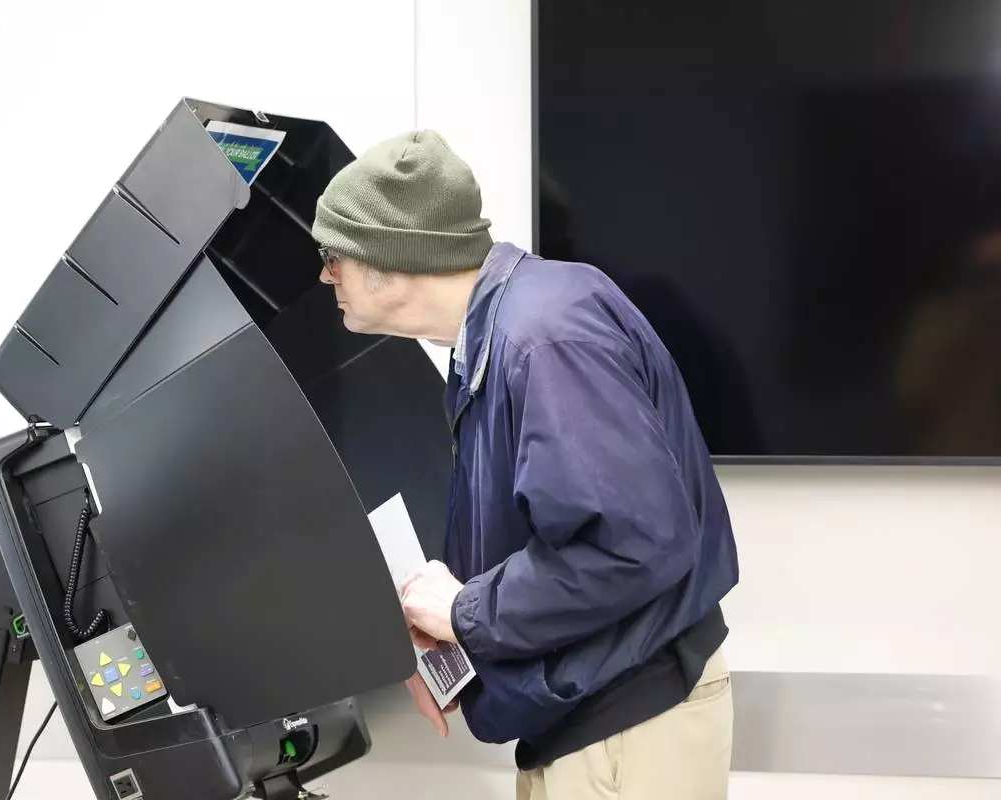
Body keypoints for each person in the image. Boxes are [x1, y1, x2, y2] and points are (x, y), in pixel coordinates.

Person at [312, 130, 739, 800]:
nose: (325, 276)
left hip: (627, 727)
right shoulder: (502, 334)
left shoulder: (545, 338)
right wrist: (453, 642)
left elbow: (633, 545)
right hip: (587, 720)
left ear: (391, 255)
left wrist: (466, 611)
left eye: (333, 255)